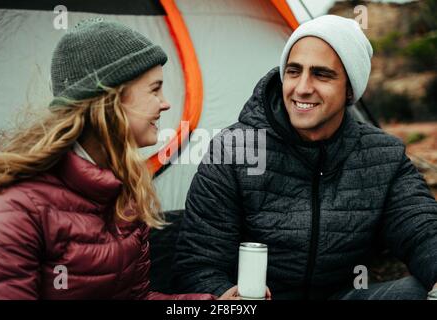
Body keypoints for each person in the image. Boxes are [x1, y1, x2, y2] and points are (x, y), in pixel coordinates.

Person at [173, 15, 437, 300]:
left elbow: (422, 231)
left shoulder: (381, 156)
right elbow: (198, 262)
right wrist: (223, 294)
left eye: (322, 74)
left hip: (343, 296)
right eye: (293, 71)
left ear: (350, 90)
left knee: (416, 293)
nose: (302, 88)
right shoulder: (234, 149)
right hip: (253, 302)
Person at [0, 19, 240, 300]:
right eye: (155, 89)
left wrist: (215, 305)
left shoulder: (126, 194)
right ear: (112, 99)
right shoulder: (16, 211)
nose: (166, 102)